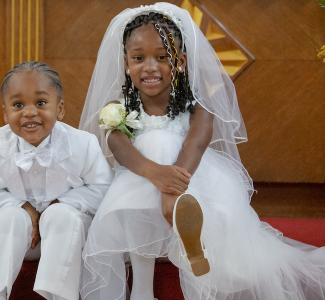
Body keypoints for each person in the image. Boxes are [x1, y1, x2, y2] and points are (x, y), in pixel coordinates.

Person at [79, 3, 325, 300]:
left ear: (181, 61)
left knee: (160, 146)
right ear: (126, 62)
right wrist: (157, 176)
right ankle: (143, 288)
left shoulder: (197, 107)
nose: (150, 67)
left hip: (195, 185)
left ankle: (187, 245)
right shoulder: (117, 109)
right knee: (149, 154)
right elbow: (119, 146)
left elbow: (194, 144)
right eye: (139, 58)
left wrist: (173, 190)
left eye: (162, 57)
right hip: (144, 185)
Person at [0, 61, 114, 300]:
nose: (30, 112)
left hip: (69, 237)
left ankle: (56, 294)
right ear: (5, 113)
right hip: (22, 241)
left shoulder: (82, 143)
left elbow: (103, 188)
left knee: (60, 216)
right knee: (9, 216)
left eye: (41, 103)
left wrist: (58, 205)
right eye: (18, 105)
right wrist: (22, 206)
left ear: (60, 109)